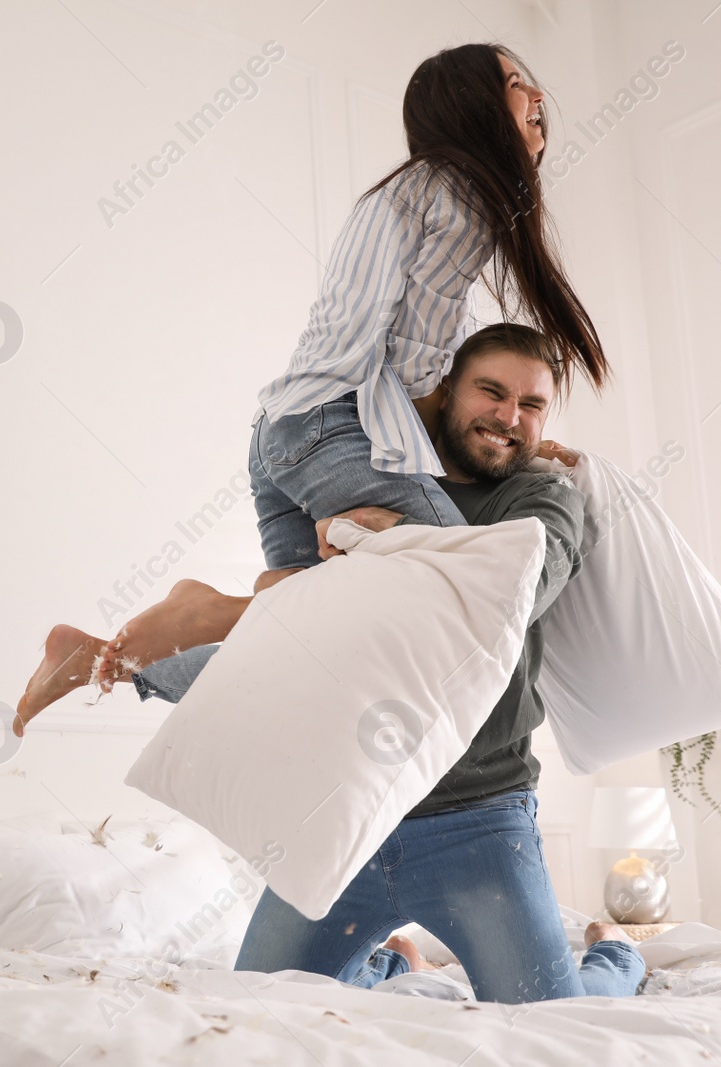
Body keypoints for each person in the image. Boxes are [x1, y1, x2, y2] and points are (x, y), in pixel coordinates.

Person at [13, 42, 608, 734]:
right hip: (335, 431)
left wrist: (505, 436)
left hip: (287, 432)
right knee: (461, 593)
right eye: (515, 84)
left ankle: (99, 661)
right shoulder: (461, 198)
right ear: (470, 105)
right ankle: (214, 610)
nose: (537, 98)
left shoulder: (415, 192)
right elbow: (418, 370)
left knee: (306, 653)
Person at [229, 323, 647, 1001]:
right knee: (247, 1012)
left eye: (532, 404)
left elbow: (508, 597)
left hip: (479, 822)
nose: (509, 416)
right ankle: (398, 965)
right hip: (348, 812)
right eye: (491, 391)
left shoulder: (539, 501)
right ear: (446, 390)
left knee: (559, 1031)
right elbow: (297, 616)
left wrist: (390, 543)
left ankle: (617, 955)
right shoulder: (368, 483)